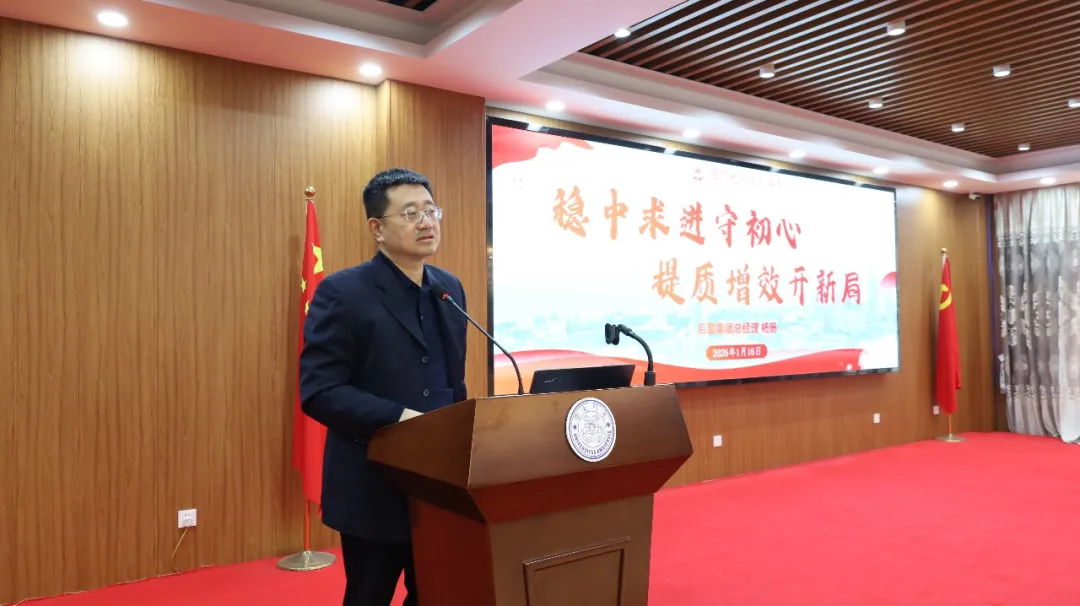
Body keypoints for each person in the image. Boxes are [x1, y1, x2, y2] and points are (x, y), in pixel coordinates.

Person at [299, 167, 468, 606]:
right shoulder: (343, 292)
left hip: (438, 484)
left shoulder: (449, 289)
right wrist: (400, 419)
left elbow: (454, 382)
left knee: (437, 593)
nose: (426, 222)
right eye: (410, 213)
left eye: (431, 210)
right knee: (369, 596)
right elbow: (319, 391)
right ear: (376, 228)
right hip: (372, 484)